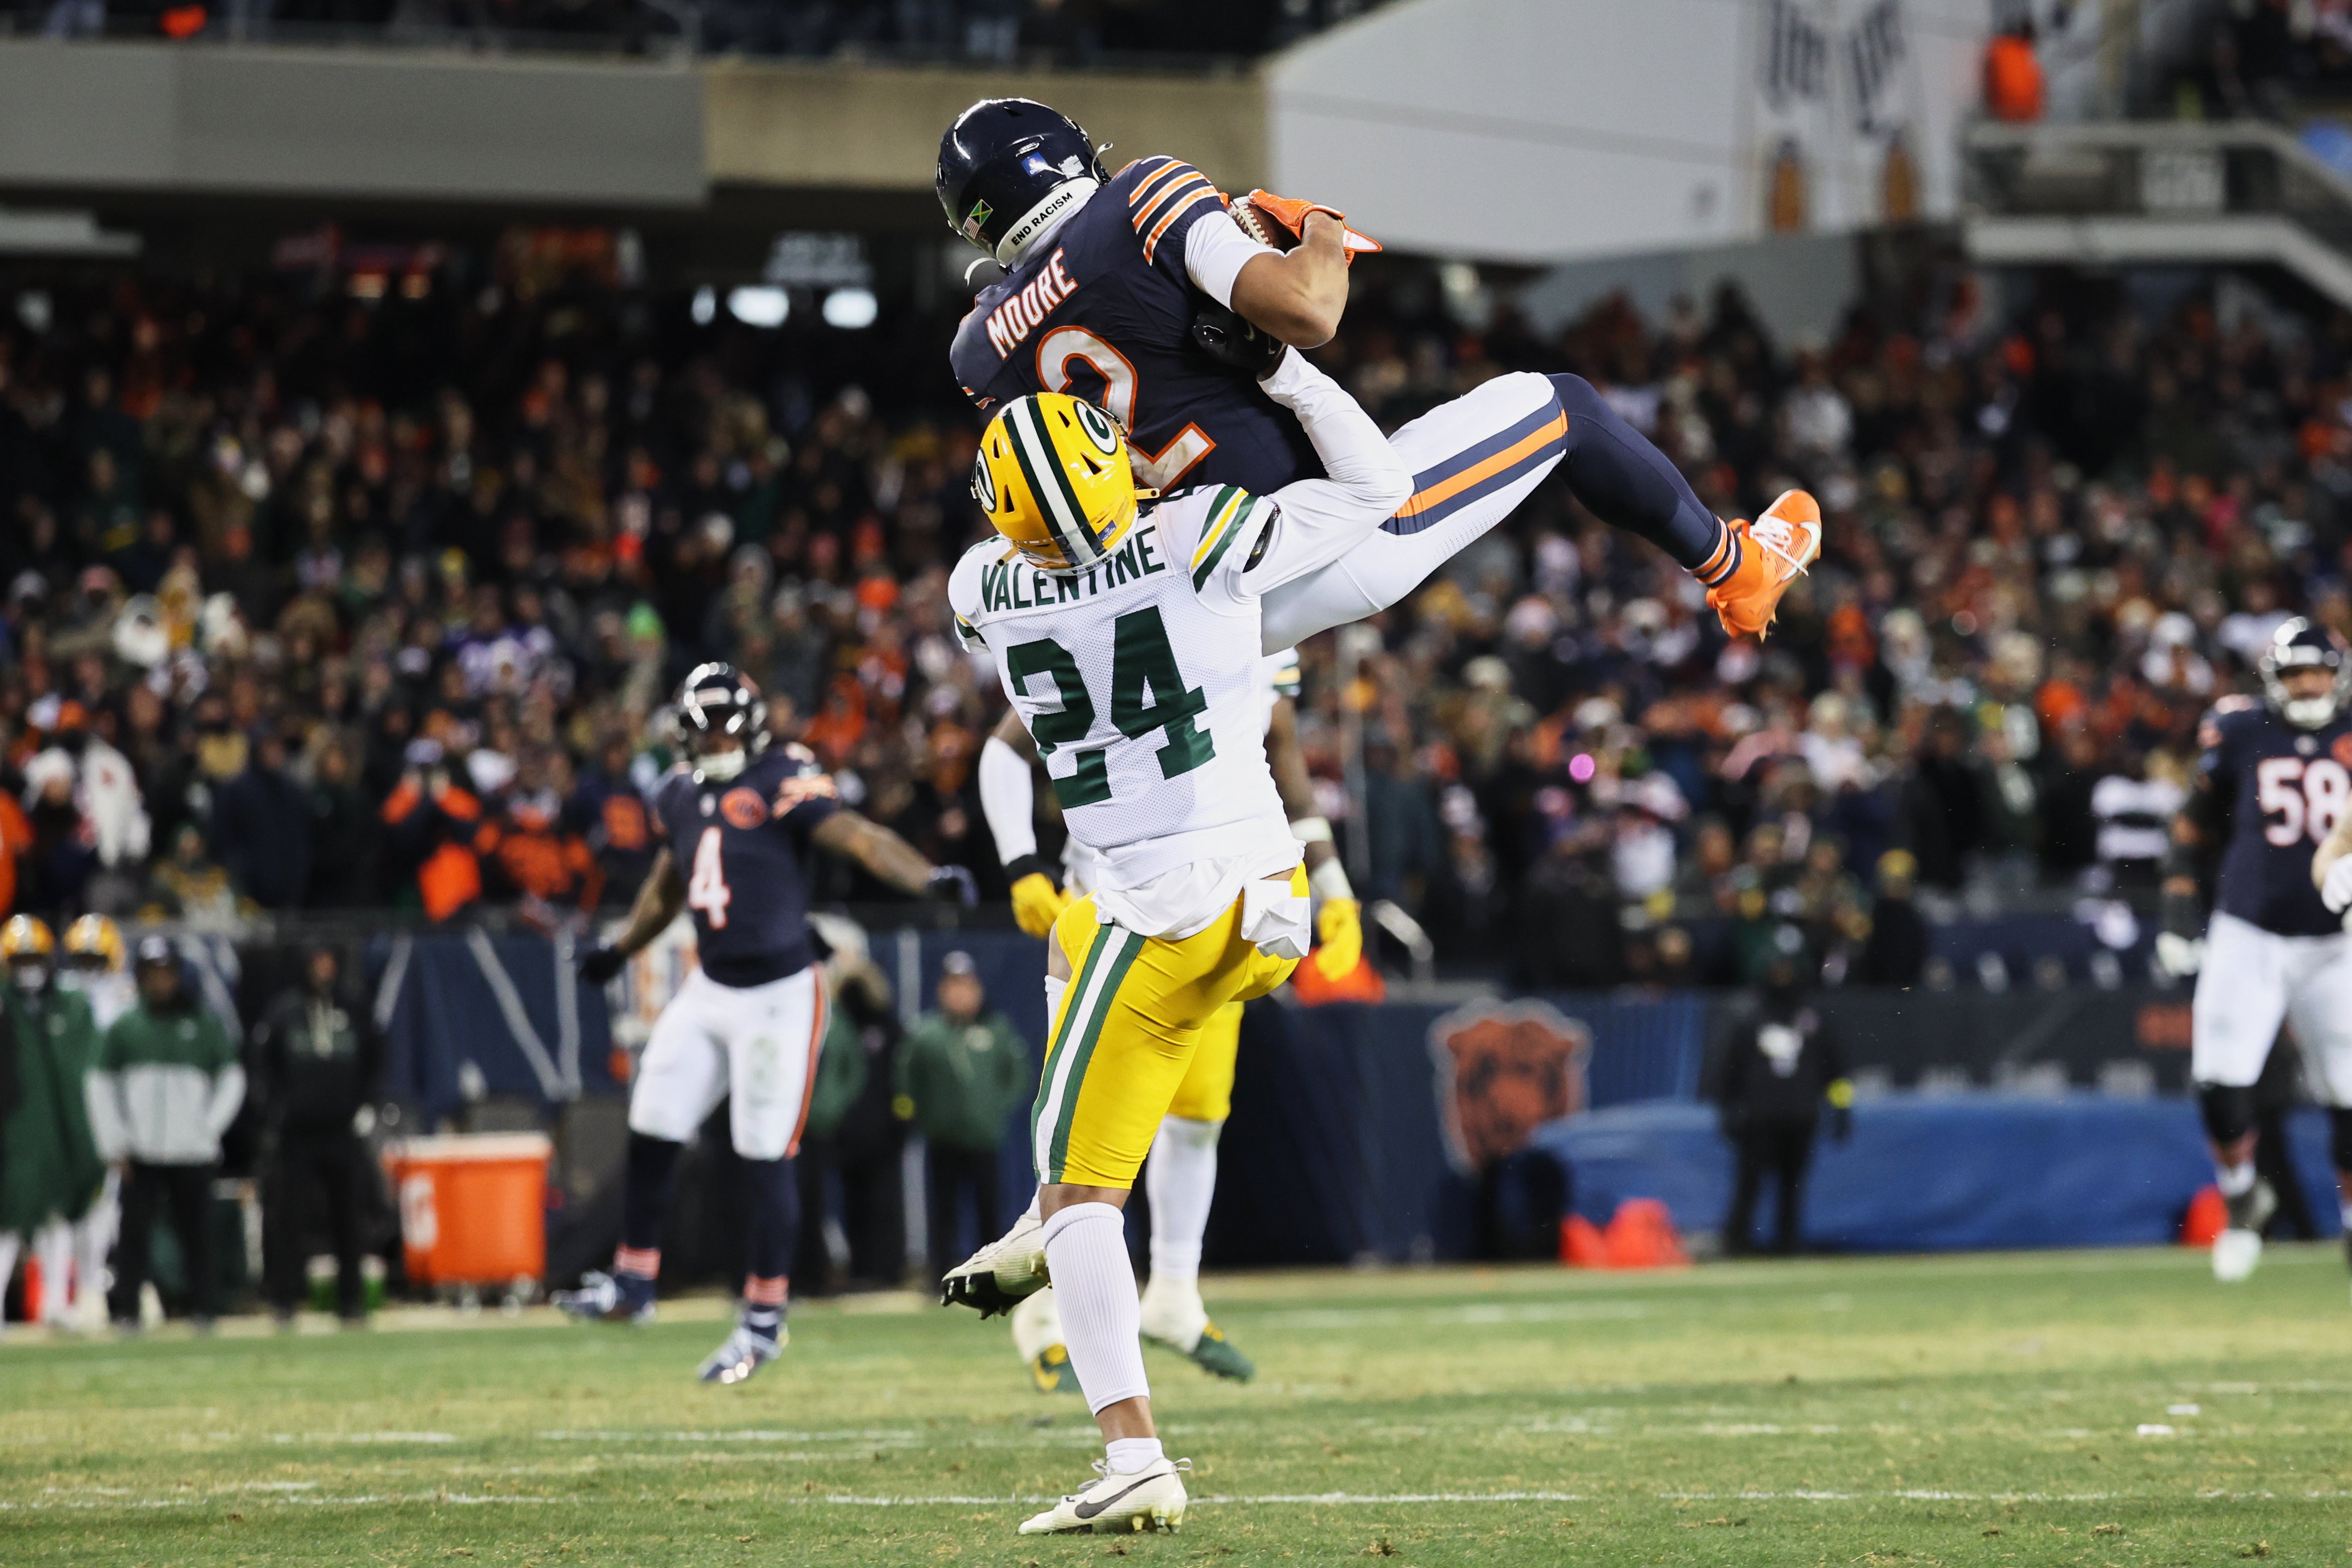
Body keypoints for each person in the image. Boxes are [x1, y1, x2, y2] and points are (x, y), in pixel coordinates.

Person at [935, 361, 1408, 1534]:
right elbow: (1376, 482)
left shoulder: (987, 588)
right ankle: (1052, 1231)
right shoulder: (1200, 536)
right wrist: (1284, 373)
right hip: (1262, 902)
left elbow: (996, 570)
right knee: (1080, 963)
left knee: (1084, 1195)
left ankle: (1131, 1449)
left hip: (1159, 910)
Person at [937, 98, 1822, 649]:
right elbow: (1309, 314)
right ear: (1058, 162)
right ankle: (1737, 570)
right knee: (1564, 408)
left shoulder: (979, 352)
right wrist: (1315, 226)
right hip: (1322, 533)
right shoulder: (1138, 196)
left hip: (1186, 604)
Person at [557, 663, 976, 1385]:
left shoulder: (784, 776)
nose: (715, 738)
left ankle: (763, 1319)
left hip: (780, 993)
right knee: (653, 1121)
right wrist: (620, 947)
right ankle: (632, 1281)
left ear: (750, 728)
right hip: (710, 984)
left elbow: (859, 837)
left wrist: (925, 876)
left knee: (762, 1154)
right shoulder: (678, 794)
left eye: (725, 725)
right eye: (702, 728)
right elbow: (669, 880)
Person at [981, 644, 1347, 1391]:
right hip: (1121, 903)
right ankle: (1042, 1292)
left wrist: (1334, 879)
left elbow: (1282, 757)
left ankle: (1174, 1292)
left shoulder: (1250, 611)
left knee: (1199, 1111)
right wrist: (1019, 861)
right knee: (1093, 1114)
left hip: (1224, 906)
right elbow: (1003, 746)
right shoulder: (1125, 606)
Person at [2170, 620, 2352, 1285]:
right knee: (2217, 1080)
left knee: (2348, 1090)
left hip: (2336, 938)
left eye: (2318, 670)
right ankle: (2242, 1193)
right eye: (2294, 672)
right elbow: (2191, 822)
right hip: (2248, 929)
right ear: (2272, 679)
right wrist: (2174, 901)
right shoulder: (2241, 729)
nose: (2308, 683)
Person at [87, 936, 244, 1329]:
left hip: (192, 1151)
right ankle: (127, 1312)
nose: (160, 982)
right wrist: (115, 1141)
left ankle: (204, 1310)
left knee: (198, 1234)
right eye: (152, 974)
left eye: (166, 973)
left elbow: (232, 1078)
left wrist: (207, 1129)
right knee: (133, 1235)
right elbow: (99, 1085)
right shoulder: (126, 1025)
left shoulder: (202, 1024)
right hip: (141, 1150)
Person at [252, 945, 381, 1325]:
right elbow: (263, 1063)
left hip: (342, 1129)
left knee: (349, 1218)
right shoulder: (285, 1011)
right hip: (297, 1132)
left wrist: (366, 1106)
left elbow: (376, 1058)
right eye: (317, 962)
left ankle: (352, 1301)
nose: (324, 969)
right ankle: (284, 1300)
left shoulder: (354, 1009)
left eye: (330, 961)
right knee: (287, 1217)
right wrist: (276, 1110)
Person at [1709, 932, 1852, 1255]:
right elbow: (1730, 1068)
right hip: (1759, 1117)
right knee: (1750, 1184)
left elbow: (1836, 1070)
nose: (1783, 975)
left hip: (1800, 1116)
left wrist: (1842, 1110)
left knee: (1793, 1186)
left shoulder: (1813, 1015)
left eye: (1788, 968)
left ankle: (1789, 1242)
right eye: (1777, 968)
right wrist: (1728, 1110)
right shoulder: (1748, 1014)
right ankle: (1738, 1242)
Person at [894, 952, 1028, 1284]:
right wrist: (922, 1116)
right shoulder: (926, 1033)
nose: (960, 994)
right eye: (953, 986)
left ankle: (990, 1274)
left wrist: (996, 1109)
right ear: (942, 990)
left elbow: (1017, 1074)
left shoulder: (995, 1029)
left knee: (988, 1207)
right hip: (943, 1137)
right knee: (943, 1210)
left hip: (984, 1136)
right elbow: (905, 1081)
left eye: (966, 986)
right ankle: (940, 1274)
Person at [0, 917, 106, 1331]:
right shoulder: (8, 1006)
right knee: (7, 1219)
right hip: (13, 1130)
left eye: (33, 958)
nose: (28, 967)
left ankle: (58, 1302)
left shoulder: (70, 1005)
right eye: (20, 958)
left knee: (58, 1216)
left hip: (61, 1130)